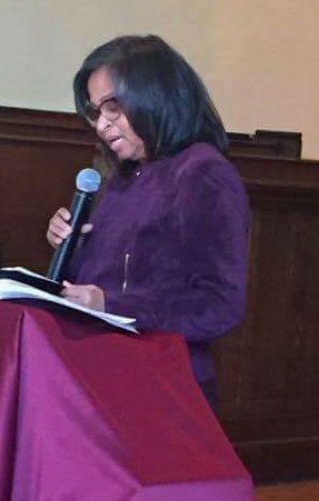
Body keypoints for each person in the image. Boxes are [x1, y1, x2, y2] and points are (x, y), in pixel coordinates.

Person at [47, 35, 249, 408]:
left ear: (155, 95)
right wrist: (72, 245)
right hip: (101, 373)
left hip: (162, 387)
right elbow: (100, 284)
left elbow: (219, 305)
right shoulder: (124, 178)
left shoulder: (203, 173)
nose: (101, 125)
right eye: (95, 112)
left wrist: (112, 304)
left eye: (113, 107)